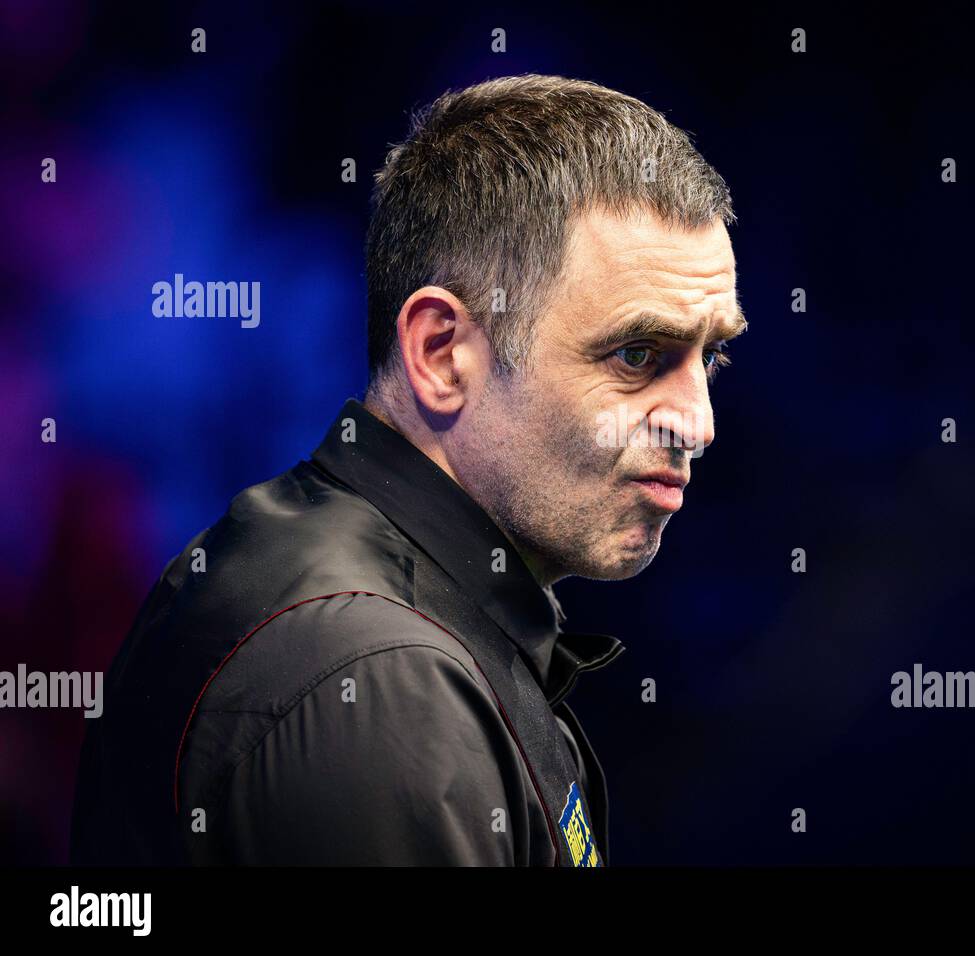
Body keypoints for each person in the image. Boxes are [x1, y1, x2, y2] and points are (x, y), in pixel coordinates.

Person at [70, 73, 745, 866]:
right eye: (638, 355)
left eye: (713, 355)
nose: (696, 423)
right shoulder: (379, 679)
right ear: (441, 354)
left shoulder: (367, 611)